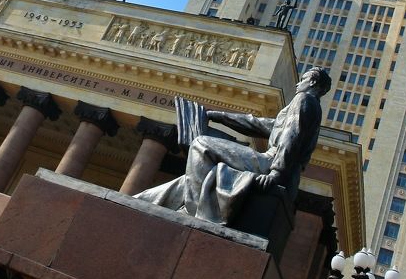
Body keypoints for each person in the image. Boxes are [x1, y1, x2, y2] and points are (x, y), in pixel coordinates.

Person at [135, 67, 332, 225]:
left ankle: (192, 208)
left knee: (200, 144)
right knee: (190, 177)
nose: (298, 83)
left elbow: (292, 137)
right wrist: (219, 116)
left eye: (303, 78)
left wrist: (276, 172)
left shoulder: (304, 100)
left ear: (312, 82)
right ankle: (148, 202)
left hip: (270, 162)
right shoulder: (309, 107)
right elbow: (259, 124)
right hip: (280, 168)